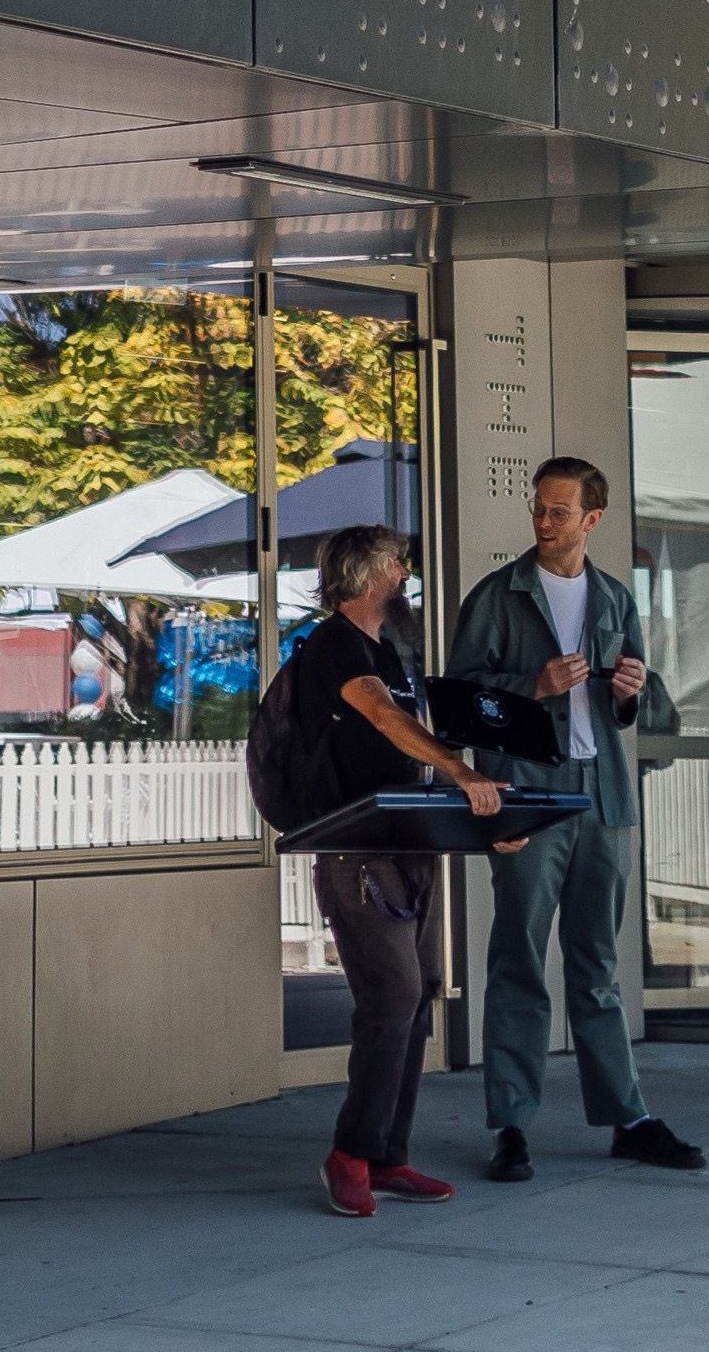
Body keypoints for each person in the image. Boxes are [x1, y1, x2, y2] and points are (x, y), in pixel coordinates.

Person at [447, 452, 708, 1183]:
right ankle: (509, 1124)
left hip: (603, 794)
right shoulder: (497, 594)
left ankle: (628, 1117)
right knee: (518, 961)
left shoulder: (615, 597)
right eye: (538, 506)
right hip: (527, 791)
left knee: (597, 965)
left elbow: (635, 710)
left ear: (592, 519)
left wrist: (628, 690)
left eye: (558, 510)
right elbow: (460, 700)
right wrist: (530, 684)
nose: (542, 519)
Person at [280, 521, 503, 1218]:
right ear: (370, 569)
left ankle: (385, 1153)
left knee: (420, 991)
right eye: (397, 562)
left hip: (407, 846)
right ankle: (348, 1153)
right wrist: (461, 767)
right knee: (391, 995)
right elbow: (378, 716)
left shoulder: (391, 648)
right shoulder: (334, 645)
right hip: (357, 854)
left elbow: (405, 756)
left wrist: (491, 824)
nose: (405, 572)